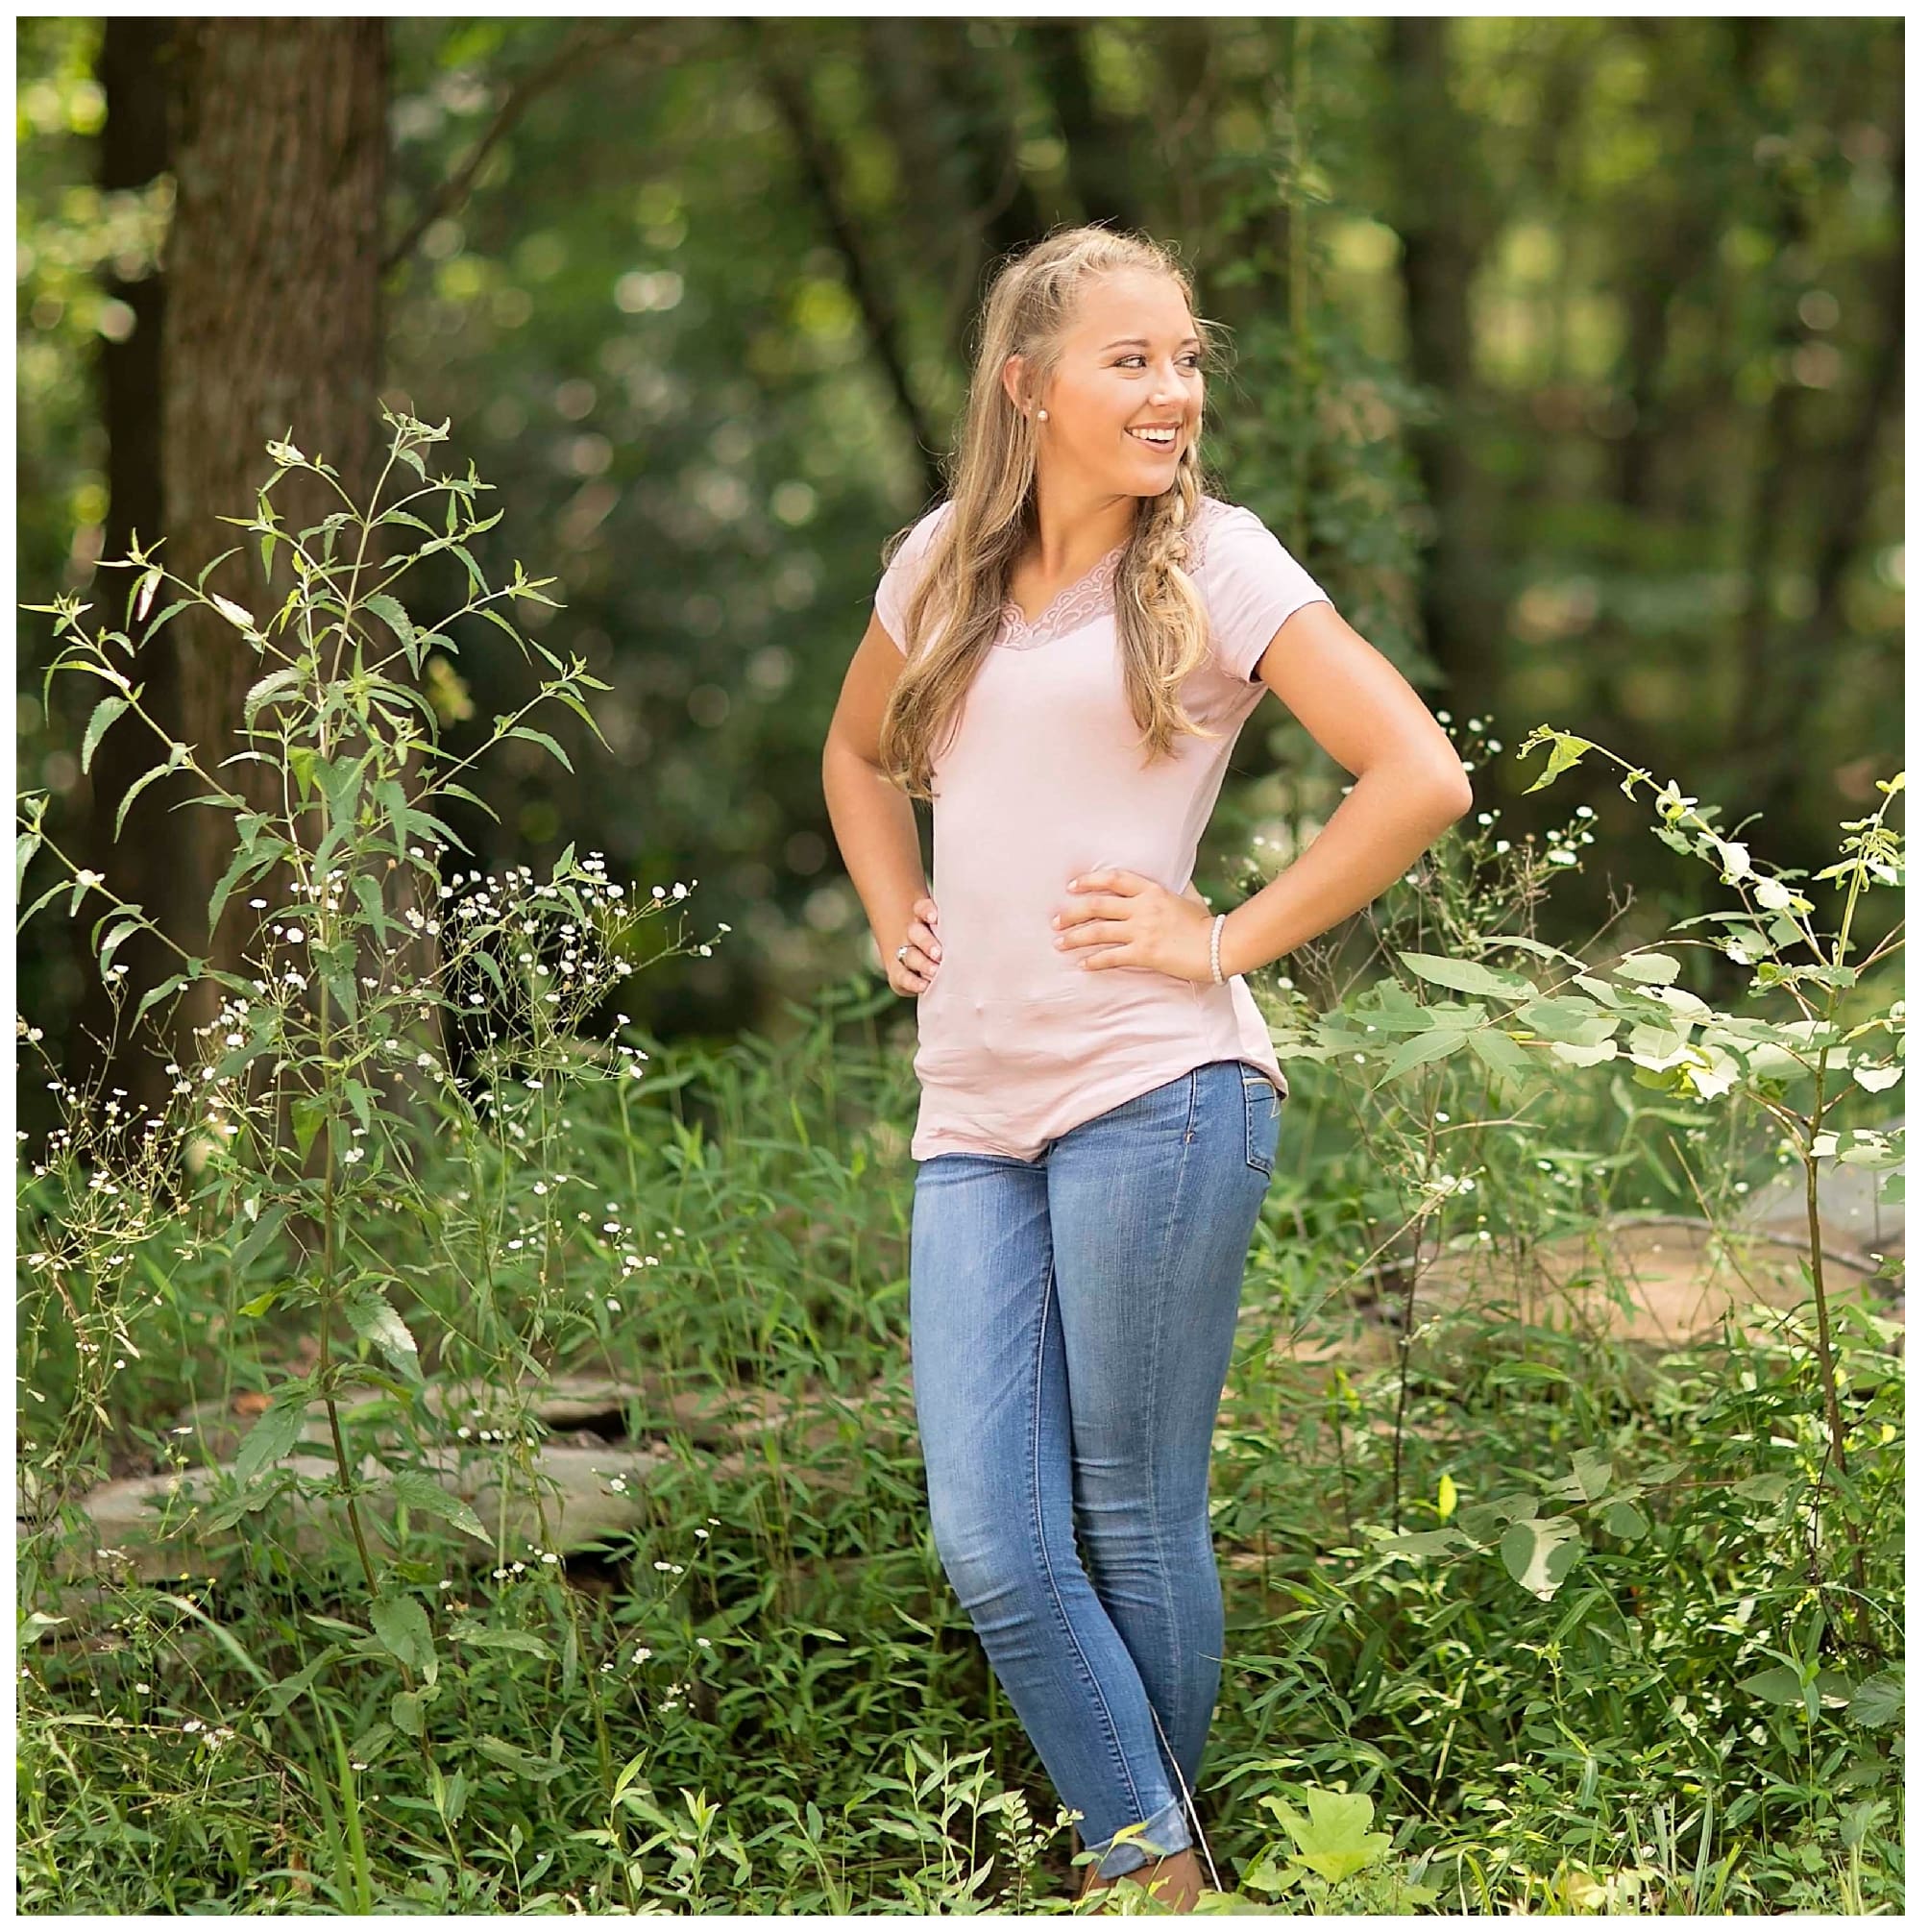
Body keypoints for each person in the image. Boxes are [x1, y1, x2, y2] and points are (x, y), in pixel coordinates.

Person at [819, 225, 1470, 1909]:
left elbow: (1417, 773)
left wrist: (1227, 938)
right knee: (996, 1543)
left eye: (1186, 359)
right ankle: (1163, 1863)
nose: (1173, 390)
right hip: (970, 1106)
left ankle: (1143, 1884)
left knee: (1129, 1517)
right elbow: (853, 749)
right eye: (1133, 360)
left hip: (1159, 1089)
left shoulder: (1223, 563)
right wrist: (898, 906)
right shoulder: (942, 561)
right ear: (1027, 385)